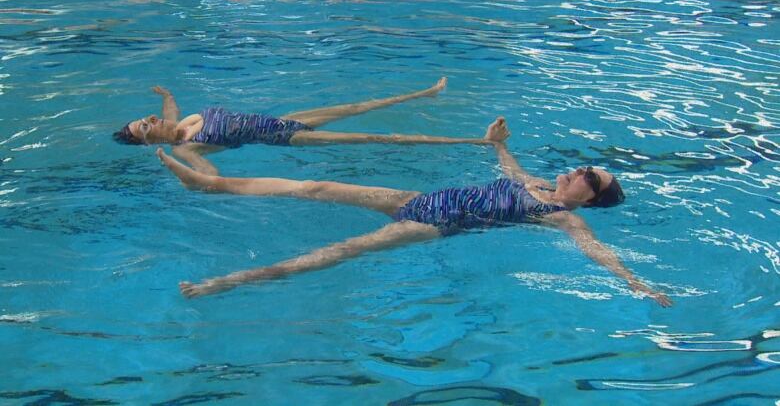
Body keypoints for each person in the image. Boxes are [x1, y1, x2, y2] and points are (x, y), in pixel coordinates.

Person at [155, 118, 672, 307]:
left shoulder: (565, 218)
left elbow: (595, 252)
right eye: (585, 168)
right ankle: (211, 185)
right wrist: (496, 145)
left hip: (432, 224)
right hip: (421, 198)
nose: (580, 172)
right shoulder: (535, 183)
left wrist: (635, 282)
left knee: (336, 252)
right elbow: (510, 167)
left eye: (591, 178)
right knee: (315, 184)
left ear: (590, 198)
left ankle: (227, 282)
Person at [114, 78, 495, 175]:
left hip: (281, 118)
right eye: (146, 127)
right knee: (374, 136)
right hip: (283, 136)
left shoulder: (179, 122)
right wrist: (177, 166)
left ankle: (424, 93)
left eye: (146, 118)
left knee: (357, 106)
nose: (152, 119)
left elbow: (170, 106)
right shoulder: (184, 148)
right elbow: (208, 174)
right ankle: (476, 142)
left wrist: (164, 93)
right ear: (151, 143)